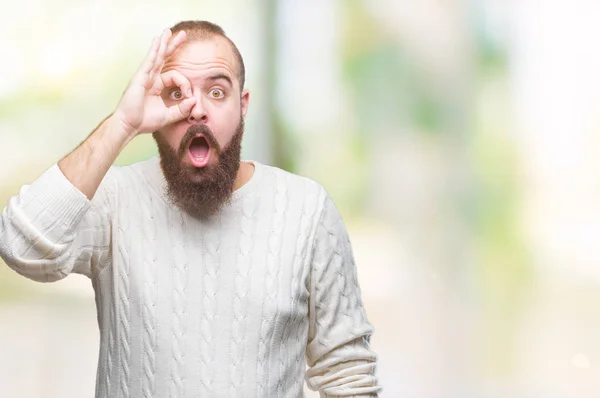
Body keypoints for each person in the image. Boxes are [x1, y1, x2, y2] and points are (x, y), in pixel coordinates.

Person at [0, 20, 381, 397]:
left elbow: (347, 375)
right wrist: (122, 123)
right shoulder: (116, 199)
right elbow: (21, 246)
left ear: (243, 105)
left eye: (217, 92)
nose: (196, 110)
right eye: (176, 94)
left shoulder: (306, 210)